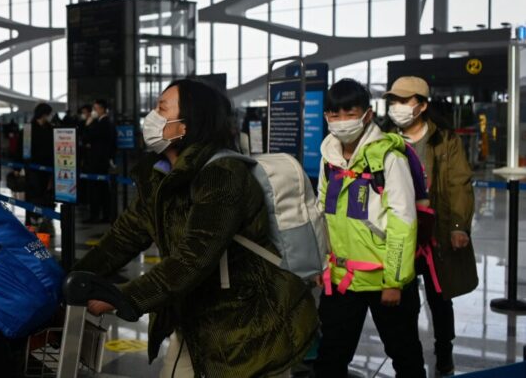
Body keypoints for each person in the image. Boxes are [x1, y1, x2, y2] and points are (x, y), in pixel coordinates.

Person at [73, 79, 318, 377]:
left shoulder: (222, 175)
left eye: (162, 108)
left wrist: (125, 297)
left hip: (251, 327)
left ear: (186, 125)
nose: (152, 117)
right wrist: (76, 277)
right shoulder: (160, 176)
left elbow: (194, 257)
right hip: (197, 320)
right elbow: (125, 235)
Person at [314, 79, 426, 378]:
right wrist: (320, 264)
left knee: (405, 355)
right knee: (331, 357)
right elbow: (322, 214)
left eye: (348, 112)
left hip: (384, 279)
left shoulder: (389, 158)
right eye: (333, 114)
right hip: (342, 278)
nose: (340, 121)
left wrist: (394, 281)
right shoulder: (329, 159)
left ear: (367, 114)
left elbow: (403, 221)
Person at [381, 76, 477, 377]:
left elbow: (459, 183)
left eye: (404, 101)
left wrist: (459, 226)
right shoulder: (384, 139)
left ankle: (444, 349)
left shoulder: (443, 139)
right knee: (405, 300)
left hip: (435, 233)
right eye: (393, 100)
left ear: (422, 105)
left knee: (439, 297)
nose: (397, 107)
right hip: (402, 233)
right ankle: (410, 357)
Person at [82, 99, 116, 224]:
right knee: (101, 189)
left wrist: (88, 124)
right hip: (100, 160)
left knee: (97, 189)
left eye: (95, 109)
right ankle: (104, 215)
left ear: (102, 109)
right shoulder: (103, 122)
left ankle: (96, 215)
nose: (93, 111)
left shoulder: (103, 123)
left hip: (98, 161)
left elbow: (88, 137)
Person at [26, 103, 55, 232]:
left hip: (48, 167)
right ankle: (33, 218)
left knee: (46, 192)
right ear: (44, 114)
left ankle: (45, 219)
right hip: (33, 167)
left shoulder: (50, 128)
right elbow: (24, 149)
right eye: (48, 114)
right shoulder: (29, 128)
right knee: (34, 192)